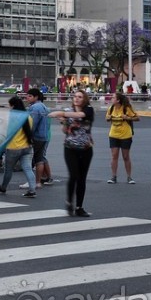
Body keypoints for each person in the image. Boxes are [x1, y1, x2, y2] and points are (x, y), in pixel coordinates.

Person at [49, 89, 94, 217]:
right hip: (70, 148)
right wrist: (63, 121)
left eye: (80, 96)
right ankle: (69, 201)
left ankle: (79, 206)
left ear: (84, 99)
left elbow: (81, 115)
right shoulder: (68, 112)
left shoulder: (88, 109)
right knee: (73, 175)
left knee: (82, 178)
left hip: (86, 148)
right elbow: (65, 130)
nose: (77, 98)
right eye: (75, 96)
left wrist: (61, 113)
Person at [0, 96, 37, 198]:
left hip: (13, 148)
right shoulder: (28, 117)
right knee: (28, 169)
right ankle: (32, 190)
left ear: (12, 105)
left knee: (8, 170)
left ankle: (3, 187)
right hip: (27, 147)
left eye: (10, 105)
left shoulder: (10, 118)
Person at [106, 92, 139, 184]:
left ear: (118, 100)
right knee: (114, 155)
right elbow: (107, 118)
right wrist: (109, 118)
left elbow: (137, 118)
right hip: (113, 135)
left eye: (113, 98)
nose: (111, 99)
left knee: (125, 156)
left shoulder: (126, 108)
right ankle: (113, 176)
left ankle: (129, 177)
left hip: (125, 135)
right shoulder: (111, 108)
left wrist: (127, 117)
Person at [26, 88, 53, 188]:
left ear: (36, 97)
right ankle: (39, 181)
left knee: (32, 159)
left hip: (37, 136)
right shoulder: (44, 107)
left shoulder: (35, 108)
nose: (27, 98)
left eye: (29, 96)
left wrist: (28, 135)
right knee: (40, 159)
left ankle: (33, 181)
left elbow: (32, 124)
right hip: (44, 135)